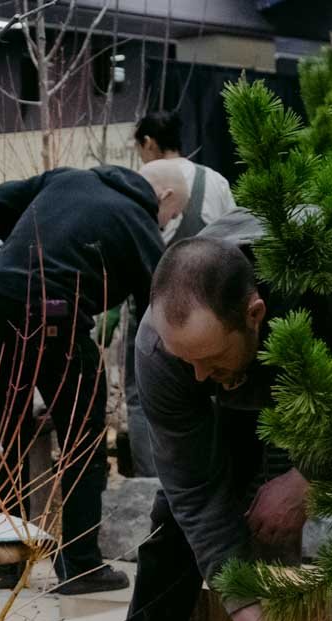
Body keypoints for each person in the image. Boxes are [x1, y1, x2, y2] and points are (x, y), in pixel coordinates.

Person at [104, 210, 332, 621]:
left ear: (254, 314)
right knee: (174, 520)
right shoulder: (162, 345)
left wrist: (308, 478)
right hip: (242, 382)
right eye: (185, 361)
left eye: (207, 359)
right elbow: (195, 492)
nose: (197, 377)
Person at [0, 165, 166, 594]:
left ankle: (8, 563)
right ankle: (80, 565)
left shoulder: (64, 178)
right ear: (161, 201)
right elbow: (165, 299)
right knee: (82, 437)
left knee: (4, 432)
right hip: (53, 315)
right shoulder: (139, 222)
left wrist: (23, 249)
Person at [123, 156, 239, 476]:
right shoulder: (139, 196)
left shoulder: (211, 186)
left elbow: (235, 249)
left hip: (210, 318)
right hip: (151, 317)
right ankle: (155, 479)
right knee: (144, 397)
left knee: (216, 390)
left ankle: (218, 471)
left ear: (168, 196)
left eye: (170, 215)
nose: (163, 224)